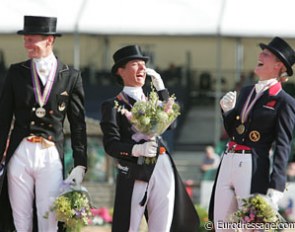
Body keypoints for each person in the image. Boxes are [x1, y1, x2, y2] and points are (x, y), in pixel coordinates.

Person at [0, 15, 87, 232]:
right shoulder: (16, 72)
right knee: (21, 219)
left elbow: (78, 124)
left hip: (50, 153)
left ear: (49, 40)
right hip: (21, 151)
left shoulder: (70, 76)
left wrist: (80, 162)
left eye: (31, 40)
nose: (26, 45)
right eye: (25, 39)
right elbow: (3, 119)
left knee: (48, 215)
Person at [100, 45, 199, 232]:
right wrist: (136, 150)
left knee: (164, 223)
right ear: (120, 71)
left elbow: (173, 122)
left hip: (162, 163)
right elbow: (111, 145)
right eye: (135, 64)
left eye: (144, 64)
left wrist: (161, 88)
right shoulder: (113, 105)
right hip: (135, 169)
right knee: (129, 224)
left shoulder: (153, 100)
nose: (142, 69)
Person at [209, 36, 295, 231]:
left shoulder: (284, 101)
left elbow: (283, 144)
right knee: (221, 224)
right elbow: (234, 132)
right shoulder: (247, 91)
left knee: (250, 227)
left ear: (278, 65)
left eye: (266, 54)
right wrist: (228, 112)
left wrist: (277, 185)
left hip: (252, 164)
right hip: (228, 159)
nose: (260, 55)